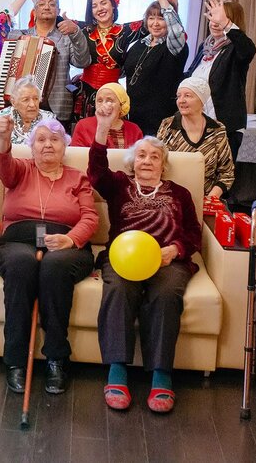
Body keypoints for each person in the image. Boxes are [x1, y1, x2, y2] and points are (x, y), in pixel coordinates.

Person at [88, 110, 202, 413]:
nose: (148, 161)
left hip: (168, 260)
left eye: (154, 157)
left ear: (163, 164)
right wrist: (102, 129)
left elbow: (194, 234)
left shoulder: (180, 193)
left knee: (166, 293)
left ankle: (161, 374)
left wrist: (175, 249)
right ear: (132, 162)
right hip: (122, 257)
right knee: (118, 289)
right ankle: (117, 370)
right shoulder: (119, 185)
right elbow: (96, 171)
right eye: (141, 155)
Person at [0, 116, 98, 395]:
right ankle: (15, 360)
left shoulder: (77, 178)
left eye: (54, 139)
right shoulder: (20, 169)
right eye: (41, 140)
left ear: (65, 146)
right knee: (21, 264)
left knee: (54, 267)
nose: (48, 145)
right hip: (18, 240)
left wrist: (70, 239)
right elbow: (3, 167)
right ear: (31, 146)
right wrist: (3, 138)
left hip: (65, 244)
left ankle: (56, 359)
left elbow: (89, 217)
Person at [185, 0, 256, 158]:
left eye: (221, 19)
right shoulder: (205, 46)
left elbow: (248, 50)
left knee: (222, 172)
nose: (215, 23)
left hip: (226, 126)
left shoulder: (236, 48)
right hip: (199, 124)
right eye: (213, 17)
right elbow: (191, 77)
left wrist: (226, 25)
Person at [8, 0, 90, 127]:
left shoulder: (67, 37)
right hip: (23, 107)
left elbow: (83, 62)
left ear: (58, 11)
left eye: (52, 4)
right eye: (41, 4)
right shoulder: (17, 36)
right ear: (34, 10)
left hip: (58, 106)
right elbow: (3, 70)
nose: (47, 7)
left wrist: (76, 32)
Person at [123, 0, 189, 136]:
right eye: (151, 18)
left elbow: (176, 29)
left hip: (162, 121)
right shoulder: (139, 44)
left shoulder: (174, 45)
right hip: (135, 118)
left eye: (161, 18)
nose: (155, 23)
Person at [68, 0, 146, 122]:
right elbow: (51, 15)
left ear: (113, 5)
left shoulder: (125, 31)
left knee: (112, 132)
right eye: (94, 6)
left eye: (103, 3)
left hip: (112, 94)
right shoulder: (83, 29)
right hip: (85, 93)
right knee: (85, 131)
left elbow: (153, 20)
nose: (100, 8)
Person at [157, 77, 235, 199]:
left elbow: (227, 174)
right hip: (170, 197)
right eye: (178, 96)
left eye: (187, 96)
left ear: (202, 100)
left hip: (205, 197)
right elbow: (156, 164)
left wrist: (210, 199)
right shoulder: (167, 126)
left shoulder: (217, 130)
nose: (181, 100)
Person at [0, 76, 55, 143]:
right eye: (26, 100)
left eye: (36, 99)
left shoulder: (48, 118)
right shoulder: (3, 117)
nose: (32, 104)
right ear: (14, 102)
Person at [70, 82, 144, 149]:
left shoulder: (134, 130)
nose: (104, 105)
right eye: (100, 101)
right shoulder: (83, 126)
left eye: (110, 100)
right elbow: (77, 156)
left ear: (121, 105)